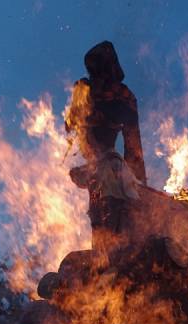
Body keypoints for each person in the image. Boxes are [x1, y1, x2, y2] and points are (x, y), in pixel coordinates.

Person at [65, 41, 146, 255]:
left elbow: (133, 143)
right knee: (104, 215)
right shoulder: (84, 91)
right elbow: (73, 127)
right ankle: (106, 258)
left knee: (115, 212)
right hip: (99, 166)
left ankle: (111, 258)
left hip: (108, 166)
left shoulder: (121, 94)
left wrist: (139, 182)